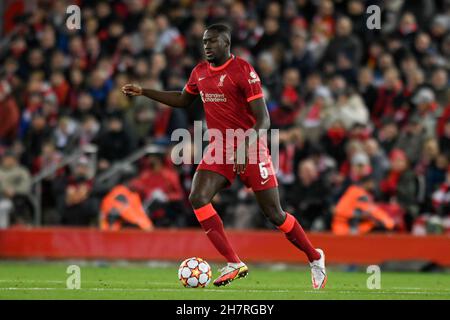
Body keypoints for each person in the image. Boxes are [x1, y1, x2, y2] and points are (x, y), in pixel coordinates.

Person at [122, 24, 326, 289]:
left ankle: (314, 257)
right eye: (205, 42)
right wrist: (145, 92)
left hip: (250, 146)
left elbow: (264, 120)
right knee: (197, 196)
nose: (207, 46)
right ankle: (233, 262)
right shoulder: (200, 72)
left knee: (274, 214)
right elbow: (183, 100)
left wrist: (243, 146)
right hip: (220, 147)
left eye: (213, 42)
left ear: (226, 44)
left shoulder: (243, 70)